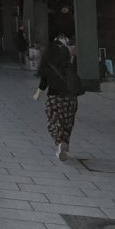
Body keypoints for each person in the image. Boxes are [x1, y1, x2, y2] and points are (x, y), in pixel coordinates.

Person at [33, 33, 82, 161]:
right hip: (71, 99)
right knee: (67, 123)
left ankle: (60, 143)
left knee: (54, 122)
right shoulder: (70, 66)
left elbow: (44, 80)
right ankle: (64, 144)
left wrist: (38, 93)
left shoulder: (49, 66)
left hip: (55, 98)